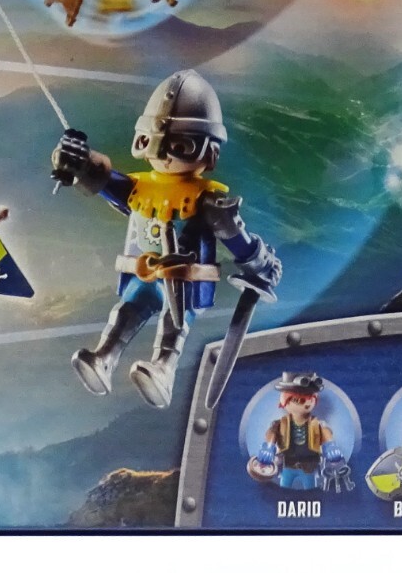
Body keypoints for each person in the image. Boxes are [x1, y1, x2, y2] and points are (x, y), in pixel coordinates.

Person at [50, 69, 281, 409]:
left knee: (174, 324)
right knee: (125, 313)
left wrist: (259, 261)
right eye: (150, 141)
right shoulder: (140, 188)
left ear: (208, 153)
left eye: (180, 145)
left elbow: (234, 235)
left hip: (182, 282)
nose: (162, 152)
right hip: (143, 274)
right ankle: (104, 358)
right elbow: (103, 179)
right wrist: (79, 162)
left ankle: (164, 369)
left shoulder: (207, 202)